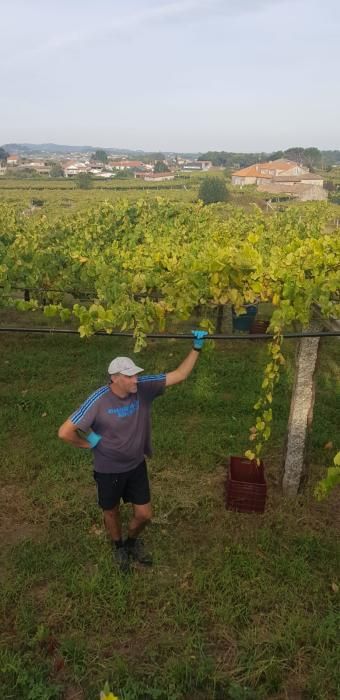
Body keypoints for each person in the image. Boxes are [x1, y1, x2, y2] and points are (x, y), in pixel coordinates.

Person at [58, 330, 207, 572]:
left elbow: (179, 375)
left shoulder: (143, 388)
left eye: (136, 375)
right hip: (108, 470)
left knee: (145, 514)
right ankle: (118, 547)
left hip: (136, 465)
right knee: (111, 511)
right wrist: (90, 443)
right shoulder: (98, 400)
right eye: (130, 377)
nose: (136, 380)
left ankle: (131, 542)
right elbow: (64, 431)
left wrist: (196, 347)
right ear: (115, 379)